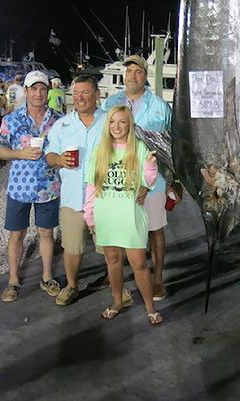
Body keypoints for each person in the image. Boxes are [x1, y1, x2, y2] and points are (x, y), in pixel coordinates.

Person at [45, 75, 128, 306]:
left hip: (105, 197)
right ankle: (71, 286)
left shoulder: (109, 122)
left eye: (86, 92)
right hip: (72, 197)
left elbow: (126, 148)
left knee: (111, 247)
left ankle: (117, 287)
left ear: (97, 94)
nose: (80, 97)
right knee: (72, 247)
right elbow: (49, 156)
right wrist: (59, 159)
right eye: (76, 92)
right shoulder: (62, 125)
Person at [101, 55, 172, 301]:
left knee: (155, 230)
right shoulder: (109, 103)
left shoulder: (161, 107)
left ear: (145, 75)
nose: (133, 75)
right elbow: (103, 142)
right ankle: (120, 284)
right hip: (117, 182)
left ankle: (158, 279)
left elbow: (170, 146)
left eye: (138, 71)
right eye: (129, 71)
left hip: (152, 181)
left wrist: (174, 181)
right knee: (120, 234)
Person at [83, 106, 163, 325]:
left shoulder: (139, 148)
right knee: (112, 259)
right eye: (112, 122)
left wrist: (150, 166)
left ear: (130, 125)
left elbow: (149, 180)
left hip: (131, 215)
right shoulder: (100, 150)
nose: (116, 127)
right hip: (106, 215)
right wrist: (89, 215)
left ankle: (149, 307)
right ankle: (117, 301)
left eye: (122, 122)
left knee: (138, 263)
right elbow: (92, 185)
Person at [0, 70, 62, 302]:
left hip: (49, 186)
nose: (39, 93)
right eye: (34, 88)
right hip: (19, 188)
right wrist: (19, 153)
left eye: (43, 88)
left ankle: (47, 277)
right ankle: (13, 281)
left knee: (46, 233)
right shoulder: (11, 120)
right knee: (16, 234)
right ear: (27, 91)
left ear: (48, 91)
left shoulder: (59, 119)